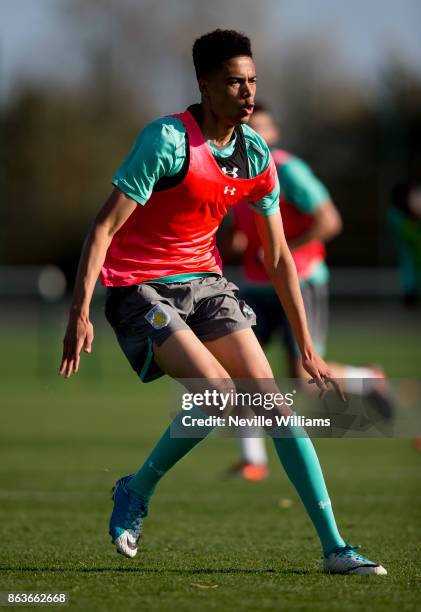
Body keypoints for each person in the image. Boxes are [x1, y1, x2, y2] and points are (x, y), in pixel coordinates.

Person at [59, 29, 386, 575]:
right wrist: (78, 313)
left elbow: (279, 257)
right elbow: (103, 228)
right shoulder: (165, 141)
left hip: (208, 286)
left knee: (275, 409)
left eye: (253, 81)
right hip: (142, 287)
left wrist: (306, 345)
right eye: (235, 82)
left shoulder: (256, 153)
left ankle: (335, 548)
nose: (247, 91)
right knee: (216, 393)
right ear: (205, 86)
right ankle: (138, 491)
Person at [225, 103, 394, 479]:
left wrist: (283, 252)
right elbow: (239, 231)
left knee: (303, 379)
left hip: (299, 281)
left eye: (261, 128)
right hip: (255, 286)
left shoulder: (289, 170)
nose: (253, 134)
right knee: (239, 366)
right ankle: (253, 460)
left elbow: (330, 221)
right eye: (246, 127)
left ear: (274, 134)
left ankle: (368, 378)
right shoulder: (234, 173)